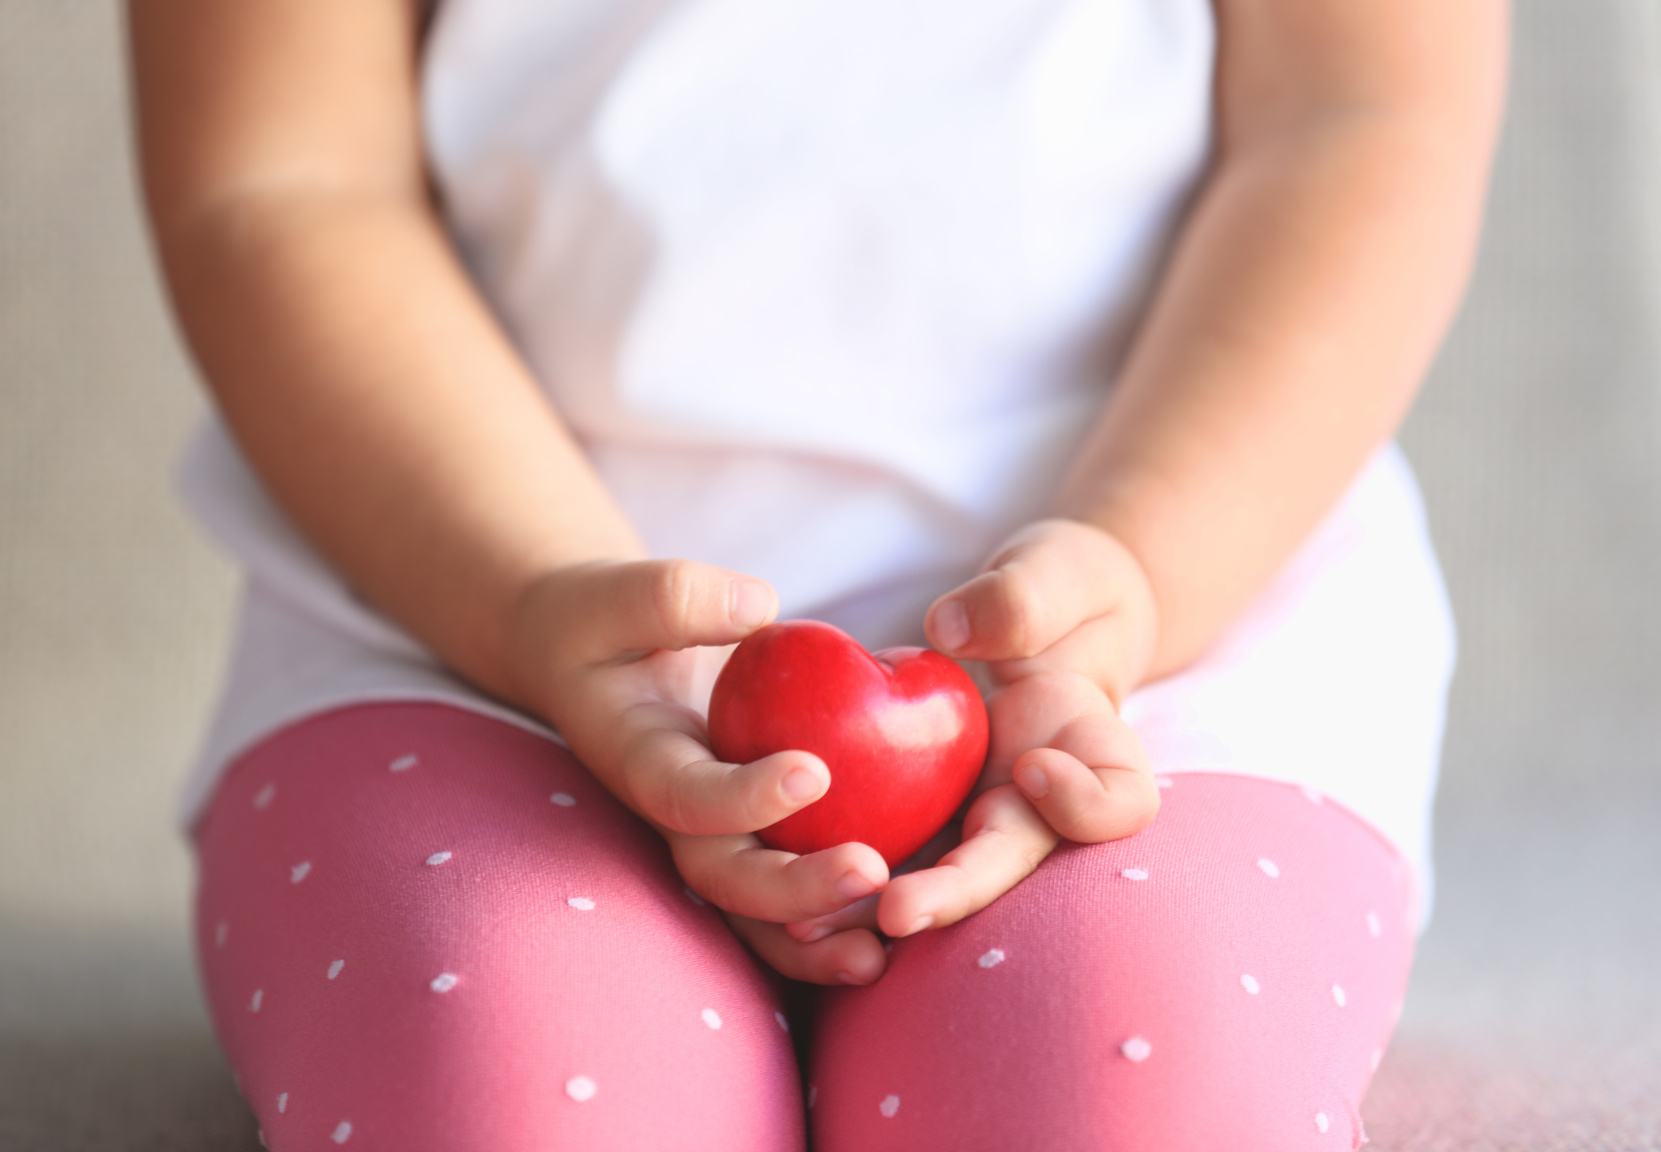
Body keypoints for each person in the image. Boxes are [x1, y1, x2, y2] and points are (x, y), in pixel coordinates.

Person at [128, 0, 1507, 1148]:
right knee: (506, 1079)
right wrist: (532, 601)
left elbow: (1361, 123)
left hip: (1161, 656)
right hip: (459, 633)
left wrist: (1135, 574)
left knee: (1116, 1080)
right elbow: (285, 177)